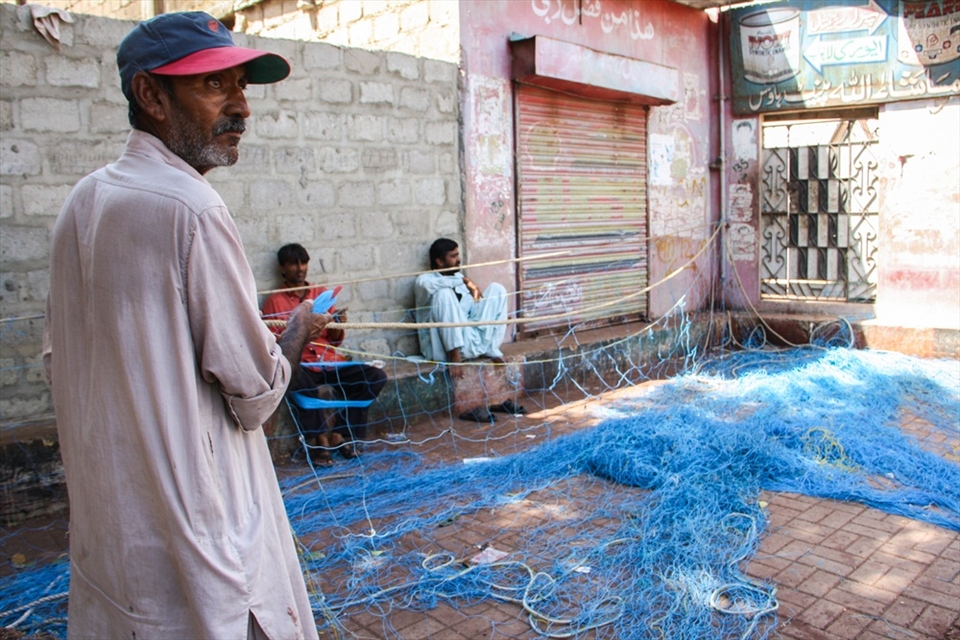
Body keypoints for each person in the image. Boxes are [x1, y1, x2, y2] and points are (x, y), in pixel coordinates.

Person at [43, 13, 324, 640]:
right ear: (151, 95)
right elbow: (254, 395)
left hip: (114, 539)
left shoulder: (82, 204)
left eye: (241, 86)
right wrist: (300, 328)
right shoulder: (191, 208)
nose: (241, 108)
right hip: (205, 536)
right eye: (214, 86)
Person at [262, 243, 387, 464]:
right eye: (293, 264)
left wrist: (338, 324)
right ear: (282, 268)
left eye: (303, 263)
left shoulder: (320, 293)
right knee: (297, 379)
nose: (300, 268)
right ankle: (317, 439)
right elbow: (272, 341)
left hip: (330, 362)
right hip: (303, 364)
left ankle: (343, 433)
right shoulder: (275, 300)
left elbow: (334, 340)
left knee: (374, 377)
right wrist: (299, 335)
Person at [414, 238, 508, 380]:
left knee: (497, 289)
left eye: (458, 255)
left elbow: (472, 311)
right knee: (443, 293)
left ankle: (491, 348)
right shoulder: (424, 280)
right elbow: (432, 286)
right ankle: (454, 354)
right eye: (453, 256)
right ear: (439, 261)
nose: (458, 259)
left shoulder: (458, 277)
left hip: (470, 340)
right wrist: (465, 281)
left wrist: (494, 314)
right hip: (441, 349)